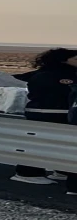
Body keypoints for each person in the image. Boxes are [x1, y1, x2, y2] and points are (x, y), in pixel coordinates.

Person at [11, 47, 77, 193]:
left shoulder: (40, 73)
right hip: (55, 112)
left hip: (38, 111)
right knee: (57, 142)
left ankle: (61, 170)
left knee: (45, 141)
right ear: (63, 60)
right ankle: (29, 172)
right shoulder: (63, 75)